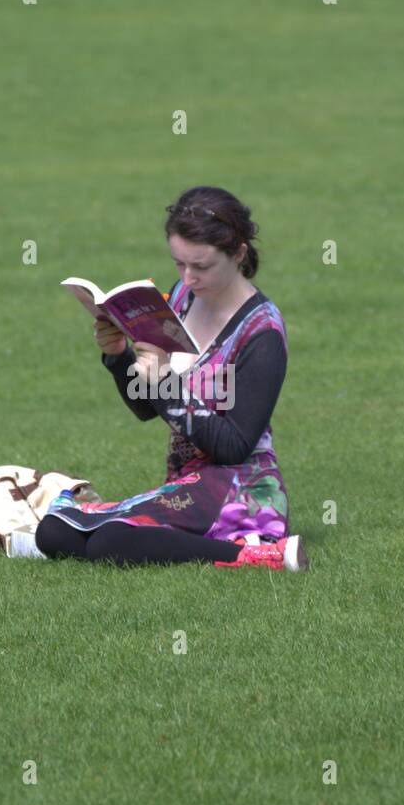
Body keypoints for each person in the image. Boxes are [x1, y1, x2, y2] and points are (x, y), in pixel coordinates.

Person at [35, 186, 307, 571]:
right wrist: (119, 358)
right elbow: (148, 408)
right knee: (54, 532)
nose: (189, 277)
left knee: (111, 540)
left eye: (202, 266)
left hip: (239, 490)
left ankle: (258, 555)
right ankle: (186, 543)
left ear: (239, 254)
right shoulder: (182, 298)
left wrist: (165, 382)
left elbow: (234, 446)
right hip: (186, 488)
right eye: (180, 264)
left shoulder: (262, 332)